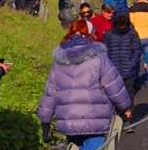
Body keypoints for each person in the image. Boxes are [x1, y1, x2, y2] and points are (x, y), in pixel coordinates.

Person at [38, 20, 132, 150]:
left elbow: (50, 93)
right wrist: (125, 107)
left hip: (68, 120)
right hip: (95, 120)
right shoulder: (99, 58)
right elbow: (113, 85)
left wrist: (45, 119)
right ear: (91, 34)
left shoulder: (59, 61)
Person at [103, 14, 142, 118]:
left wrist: (132, 63)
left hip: (128, 70)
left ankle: (128, 117)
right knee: (114, 95)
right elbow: (104, 51)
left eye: (123, 25)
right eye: (120, 25)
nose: (122, 27)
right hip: (113, 71)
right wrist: (108, 65)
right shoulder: (109, 35)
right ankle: (118, 116)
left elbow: (137, 50)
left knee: (129, 93)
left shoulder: (132, 34)